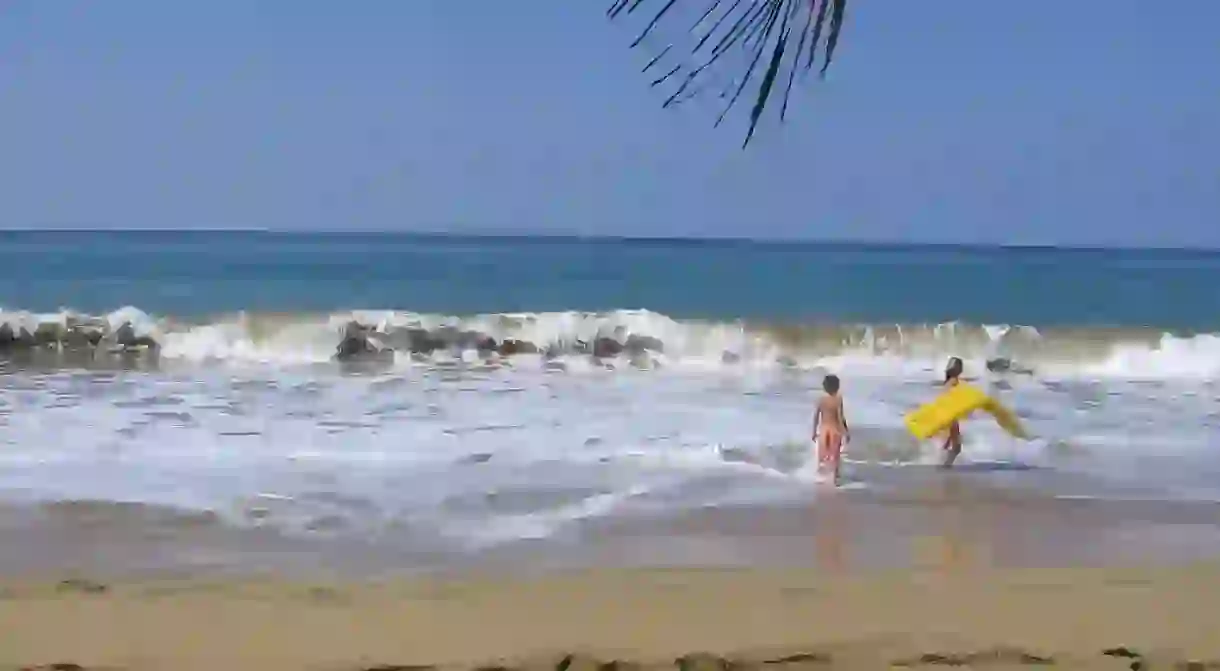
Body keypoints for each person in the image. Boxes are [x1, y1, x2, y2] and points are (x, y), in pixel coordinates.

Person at [813, 374, 850, 486]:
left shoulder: (821, 399)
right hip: (835, 430)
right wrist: (845, 431)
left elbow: (816, 416)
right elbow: (840, 416)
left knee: (822, 455)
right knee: (835, 456)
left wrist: (813, 431)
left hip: (824, 430)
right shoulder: (838, 399)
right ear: (837, 386)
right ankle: (835, 479)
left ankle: (820, 477)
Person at [941, 356, 965, 468]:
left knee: (950, 443)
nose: (962, 368)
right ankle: (945, 465)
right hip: (951, 415)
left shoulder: (949, 381)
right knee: (956, 446)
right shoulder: (954, 382)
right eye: (960, 366)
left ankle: (943, 463)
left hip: (948, 414)